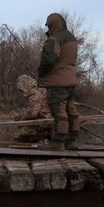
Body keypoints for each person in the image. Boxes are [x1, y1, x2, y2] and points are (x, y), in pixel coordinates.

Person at [37, 12, 81, 150]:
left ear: (52, 25)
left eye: (48, 26)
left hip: (57, 82)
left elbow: (49, 60)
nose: (47, 29)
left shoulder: (54, 39)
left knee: (59, 112)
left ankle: (57, 142)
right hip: (71, 80)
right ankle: (71, 141)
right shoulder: (72, 38)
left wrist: (41, 72)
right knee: (71, 110)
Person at [13, 74, 51, 143]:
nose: (21, 92)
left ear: (25, 85)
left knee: (19, 136)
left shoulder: (34, 95)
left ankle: (41, 141)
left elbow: (32, 113)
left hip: (43, 123)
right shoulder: (39, 91)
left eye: (21, 89)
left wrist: (20, 116)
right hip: (45, 122)